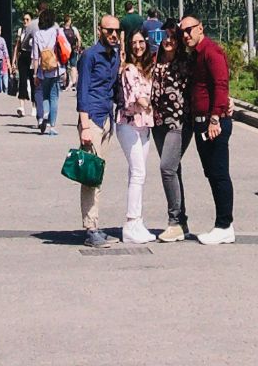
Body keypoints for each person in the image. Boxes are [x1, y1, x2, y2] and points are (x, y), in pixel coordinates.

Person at [180, 16, 236, 245]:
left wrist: (215, 119)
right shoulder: (195, 55)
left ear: (200, 28)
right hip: (201, 122)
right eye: (183, 32)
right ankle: (222, 224)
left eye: (189, 30)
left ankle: (225, 225)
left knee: (219, 173)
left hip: (214, 123)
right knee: (212, 173)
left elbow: (221, 85)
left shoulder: (212, 52)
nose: (186, 35)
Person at [74, 14, 124, 248]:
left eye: (116, 31)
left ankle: (95, 224)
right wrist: (84, 126)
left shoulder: (114, 56)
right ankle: (90, 228)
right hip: (91, 119)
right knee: (90, 177)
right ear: (99, 30)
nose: (113, 35)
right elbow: (82, 90)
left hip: (107, 119)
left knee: (98, 176)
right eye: (108, 30)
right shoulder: (89, 56)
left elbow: (115, 89)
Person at [114, 27, 158, 244]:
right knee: (138, 173)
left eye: (141, 42)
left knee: (138, 174)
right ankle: (131, 223)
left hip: (144, 125)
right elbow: (139, 98)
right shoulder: (129, 69)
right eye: (134, 44)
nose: (138, 47)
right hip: (128, 125)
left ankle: (137, 221)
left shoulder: (146, 68)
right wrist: (153, 105)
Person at [148, 29, 192, 242]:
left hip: (179, 123)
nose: (168, 41)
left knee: (167, 168)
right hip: (158, 123)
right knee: (174, 170)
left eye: (173, 38)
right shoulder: (155, 60)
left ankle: (174, 222)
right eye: (165, 37)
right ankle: (182, 222)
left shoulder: (185, 63)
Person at [30, 5, 67, 135]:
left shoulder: (37, 34)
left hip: (42, 70)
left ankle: (44, 114)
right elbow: (65, 49)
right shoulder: (57, 31)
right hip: (56, 68)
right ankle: (52, 127)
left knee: (45, 96)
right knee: (54, 97)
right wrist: (65, 69)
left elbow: (35, 56)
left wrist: (35, 74)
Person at [13, 13, 36, 117]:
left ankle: (34, 107)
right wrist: (13, 61)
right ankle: (21, 106)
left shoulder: (35, 30)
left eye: (27, 19)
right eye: (24, 19)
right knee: (22, 81)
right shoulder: (20, 31)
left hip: (32, 56)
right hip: (23, 55)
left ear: (31, 20)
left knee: (33, 81)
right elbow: (17, 46)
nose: (25, 21)